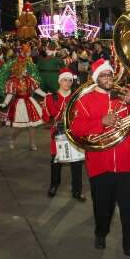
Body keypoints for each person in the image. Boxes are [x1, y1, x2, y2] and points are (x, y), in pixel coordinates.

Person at [71, 58, 130, 259]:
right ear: (96, 79)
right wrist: (100, 122)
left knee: (129, 209)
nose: (108, 78)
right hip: (100, 164)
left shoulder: (125, 94)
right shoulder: (84, 100)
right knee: (102, 207)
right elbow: (76, 129)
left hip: (127, 164)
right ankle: (100, 232)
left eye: (109, 75)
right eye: (103, 75)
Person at [41, 68, 86, 201]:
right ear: (59, 81)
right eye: (65, 80)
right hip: (58, 134)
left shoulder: (77, 97)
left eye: (70, 80)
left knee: (76, 163)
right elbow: (45, 118)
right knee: (56, 161)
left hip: (73, 133)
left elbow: (83, 116)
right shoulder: (50, 97)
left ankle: (77, 191)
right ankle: (54, 185)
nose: (67, 83)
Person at [1, 59, 46, 151]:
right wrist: (5, 103)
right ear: (18, 70)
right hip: (19, 105)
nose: (26, 70)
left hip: (29, 102)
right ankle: (12, 139)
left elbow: (36, 90)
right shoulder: (12, 81)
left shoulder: (29, 79)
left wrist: (46, 95)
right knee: (19, 127)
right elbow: (10, 94)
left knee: (32, 125)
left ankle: (32, 143)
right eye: (24, 69)